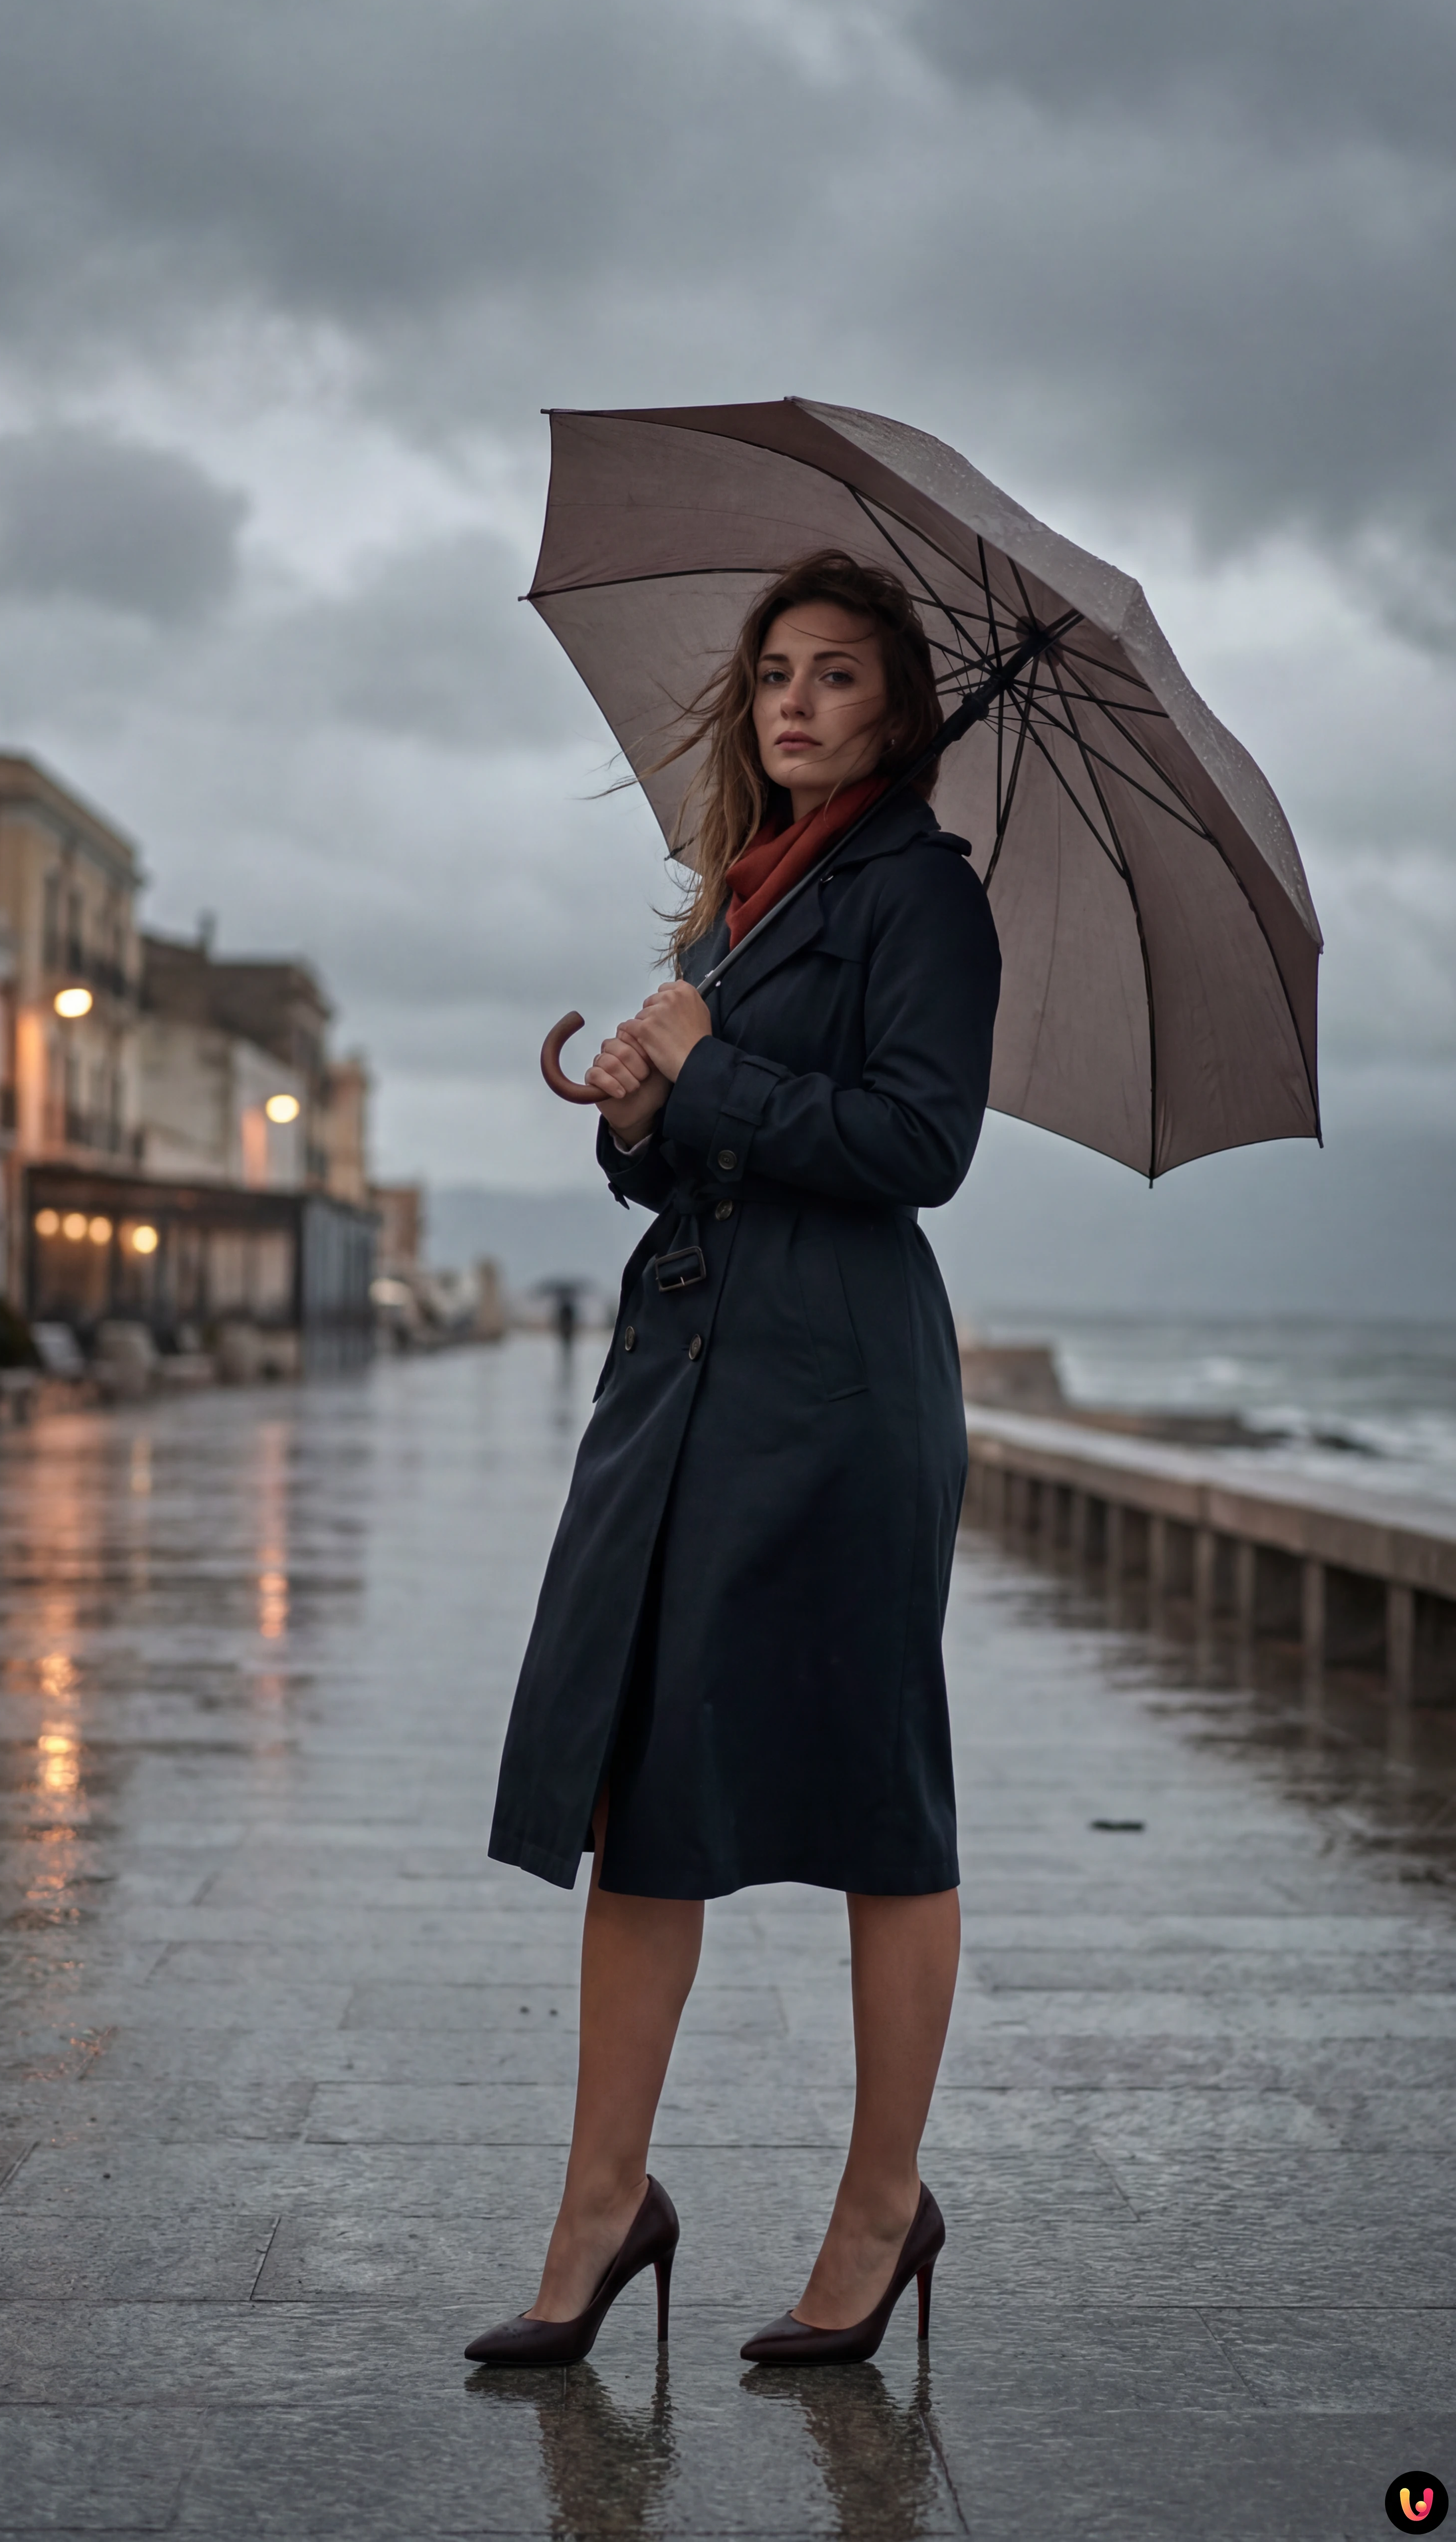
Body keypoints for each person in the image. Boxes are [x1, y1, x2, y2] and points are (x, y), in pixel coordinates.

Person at [467, 550, 1001, 2367]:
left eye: (836, 674)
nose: (795, 702)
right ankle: (603, 2208)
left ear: (898, 706)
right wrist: (642, 1116)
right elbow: (704, 1157)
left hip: (841, 1395)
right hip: (684, 1379)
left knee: (878, 1797)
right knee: (640, 1784)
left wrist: (713, 1074)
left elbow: (922, 1146)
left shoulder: (922, 897)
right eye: (776, 672)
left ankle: (882, 2208)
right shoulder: (737, 906)